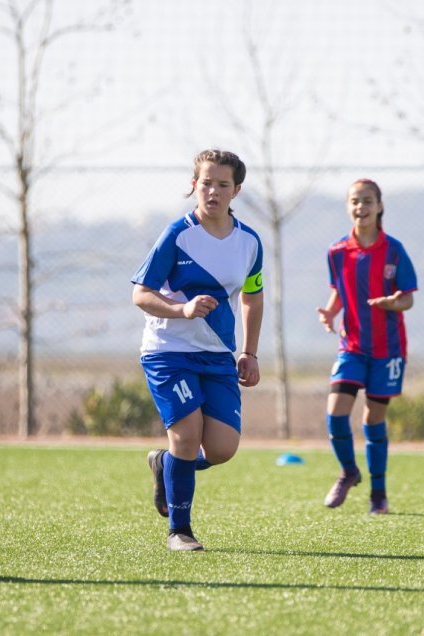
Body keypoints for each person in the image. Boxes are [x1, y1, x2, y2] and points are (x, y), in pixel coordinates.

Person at [131, 149, 263, 552]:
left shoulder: (250, 242)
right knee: (186, 436)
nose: (213, 191)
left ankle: (167, 465)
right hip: (168, 351)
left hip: (217, 355)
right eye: (206, 182)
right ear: (194, 185)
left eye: (223, 184)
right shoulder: (177, 234)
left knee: (222, 449)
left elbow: (253, 299)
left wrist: (249, 353)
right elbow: (141, 294)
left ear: (236, 190)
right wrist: (181, 309)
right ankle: (179, 531)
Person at [316, 178, 417, 515]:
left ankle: (379, 495)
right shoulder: (337, 251)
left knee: (373, 421)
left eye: (368, 201)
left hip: (388, 349)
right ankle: (348, 471)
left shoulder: (394, 250)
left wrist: (393, 302)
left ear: (380, 206)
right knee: (335, 414)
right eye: (356, 201)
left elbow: (408, 300)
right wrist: (331, 311)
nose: (362, 207)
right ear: (349, 207)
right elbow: (340, 289)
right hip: (353, 347)